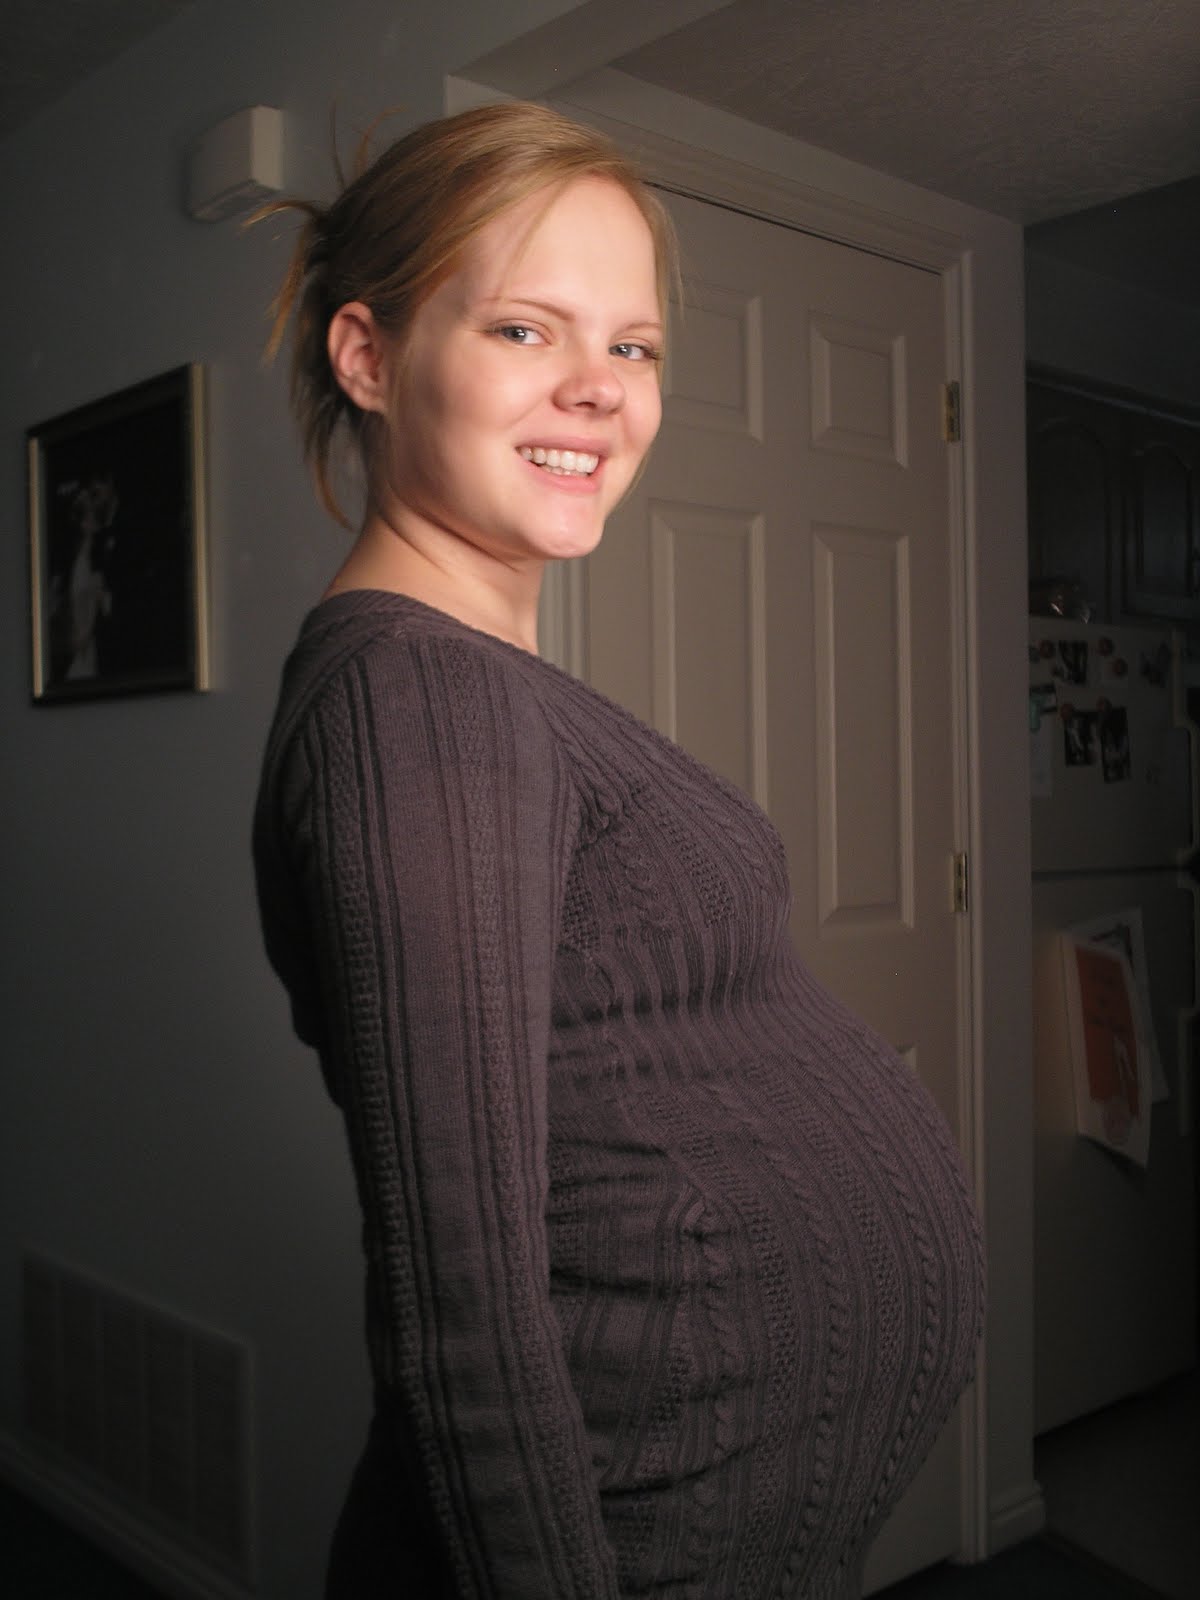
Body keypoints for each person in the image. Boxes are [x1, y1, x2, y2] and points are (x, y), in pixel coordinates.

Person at [252, 101, 984, 1599]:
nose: (600, 391)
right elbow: (462, 1313)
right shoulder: (414, 700)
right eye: (527, 330)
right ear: (370, 357)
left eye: (634, 347)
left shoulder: (480, 687)